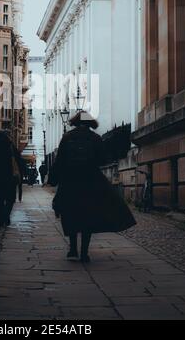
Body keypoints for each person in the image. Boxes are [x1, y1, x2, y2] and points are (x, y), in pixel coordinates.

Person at [50, 111, 136, 263]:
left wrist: (54, 179)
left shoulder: (67, 137)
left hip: (70, 180)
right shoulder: (95, 138)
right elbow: (102, 159)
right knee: (87, 215)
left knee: (71, 213)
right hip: (90, 181)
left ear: (75, 122)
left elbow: (60, 161)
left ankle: (72, 249)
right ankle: (84, 253)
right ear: (90, 123)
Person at [0, 132, 25, 228]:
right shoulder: (11, 148)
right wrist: (22, 175)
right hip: (11, 178)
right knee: (10, 199)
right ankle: (6, 215)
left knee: (0, 199)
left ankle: (1, 219)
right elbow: (19, 161)